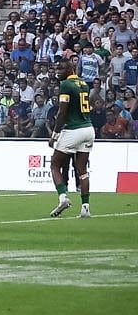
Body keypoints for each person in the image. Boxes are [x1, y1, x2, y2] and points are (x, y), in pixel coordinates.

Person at [47, 57, 96, 218]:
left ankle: (63, 197)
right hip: (88, 129)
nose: (57, 72)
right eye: (56, 69)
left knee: (54, 164)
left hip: (73, 130)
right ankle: (85, 207)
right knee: (82, 170)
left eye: (61, 69)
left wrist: (54, 135)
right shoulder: (83, 84)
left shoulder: (66, 85)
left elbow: (62, 113)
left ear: (70, 68)